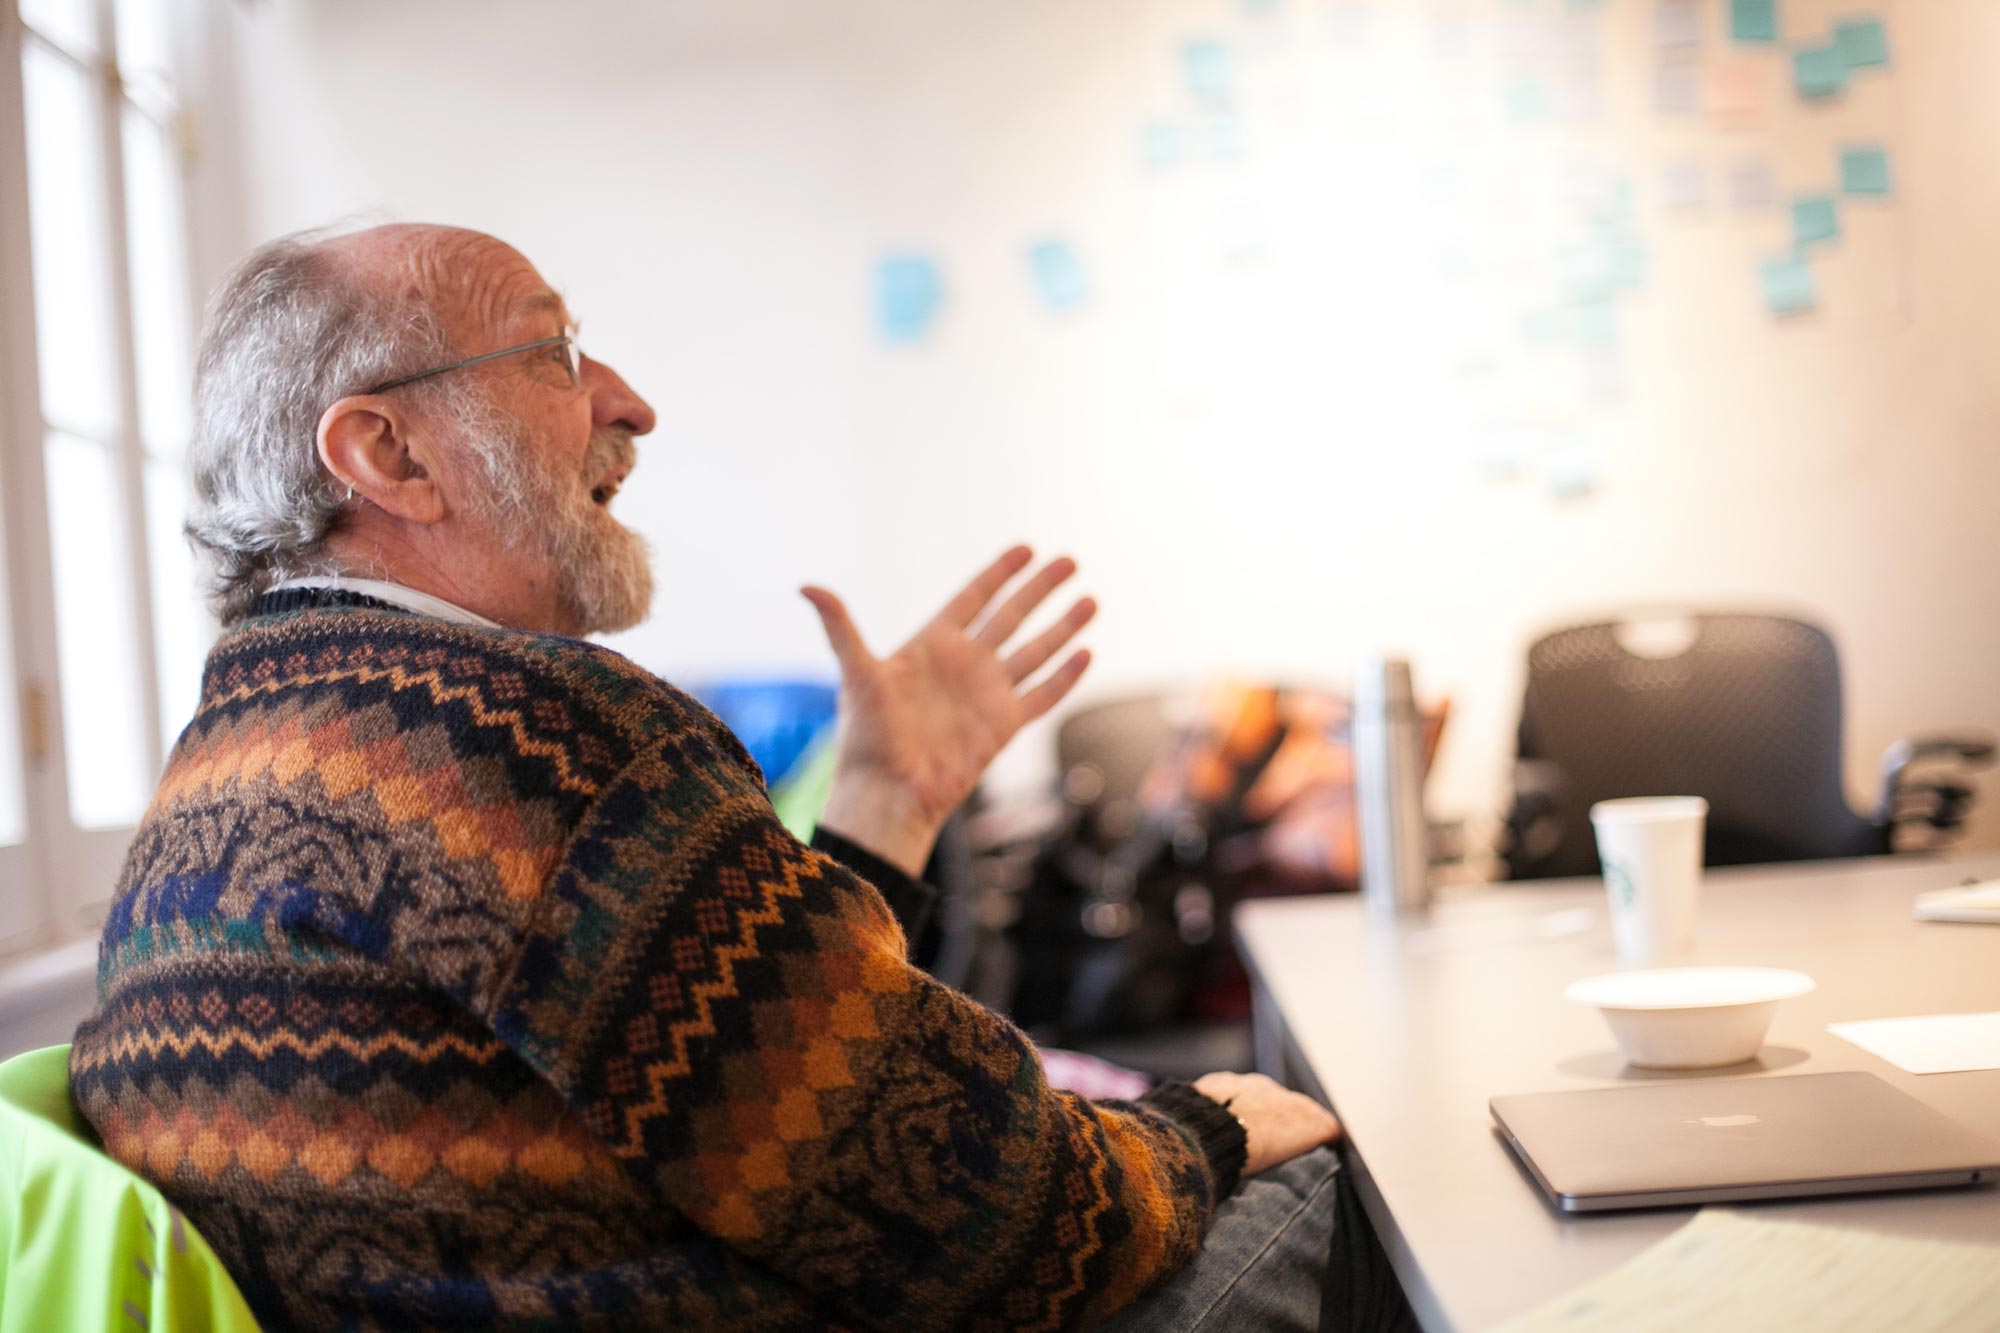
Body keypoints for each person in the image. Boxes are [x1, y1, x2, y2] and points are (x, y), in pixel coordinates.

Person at [69, 223, 1359, 1331]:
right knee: (1334, 1177)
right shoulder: (527, 736)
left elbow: (744, 1073)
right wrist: (1207, 1131)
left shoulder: (228, 766)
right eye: (556, 354)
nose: (630, 402)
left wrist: (883, 808)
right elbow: (981, 1217)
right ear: (390, 457)